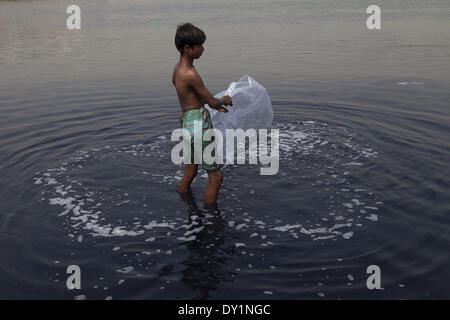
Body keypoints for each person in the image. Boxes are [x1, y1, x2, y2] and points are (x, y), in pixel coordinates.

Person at [172, 23, 232, 208]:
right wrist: (224, 99)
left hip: (188, 123)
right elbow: (212, 101)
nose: (203, 49)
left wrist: (209, 103)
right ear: (187, 48)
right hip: (199, 124)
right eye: (199, 46)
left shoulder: (177, 70)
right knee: (216, 176)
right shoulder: (191, 74)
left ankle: (183, 199)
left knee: (191, 167)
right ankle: (212, 220)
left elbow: (191, 97)